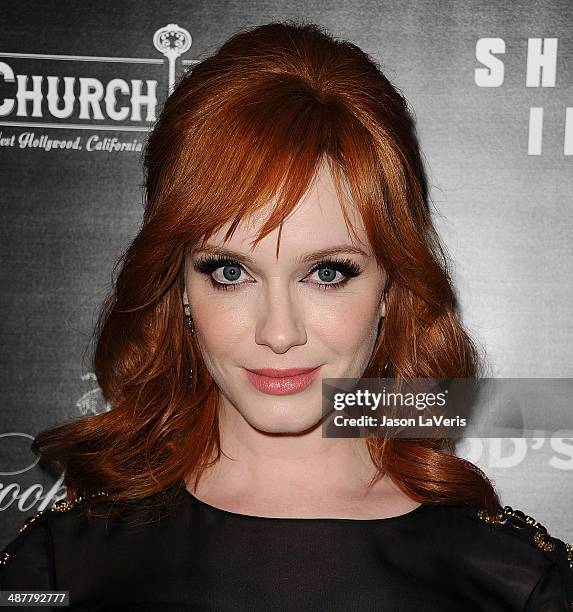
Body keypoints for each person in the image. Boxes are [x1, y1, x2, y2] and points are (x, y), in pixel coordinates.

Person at [1, 20, 571, 612]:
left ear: (392, 284)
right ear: (178, 287)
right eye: (229, 272)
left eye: (326, 273)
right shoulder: (58, 569)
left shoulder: (514, 585)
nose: (278, 332)